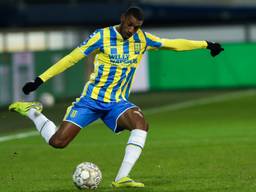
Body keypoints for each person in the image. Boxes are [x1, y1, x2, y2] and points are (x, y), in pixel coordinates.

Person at [9, 6, 224, 188]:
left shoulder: (141, 39)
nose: (132, 30)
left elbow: (173, 43)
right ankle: (33, 112)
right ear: (122, 19)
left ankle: (121, 178)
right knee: (58, 142)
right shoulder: (101, 36)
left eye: (136, 27)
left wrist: (206, 44)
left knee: (141, 124)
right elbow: (71, 58)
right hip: (90, 101)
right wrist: (39, 80)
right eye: (129, 25)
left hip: (117, 103)